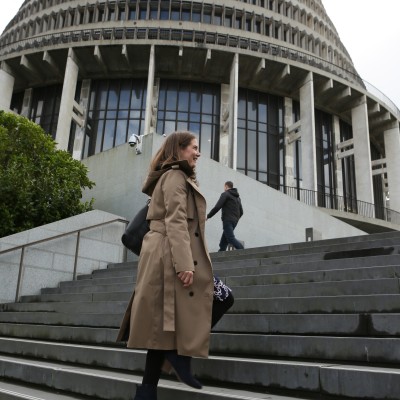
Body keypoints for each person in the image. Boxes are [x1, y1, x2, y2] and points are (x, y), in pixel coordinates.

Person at [117, 131, 216, 400]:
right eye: (194, 148)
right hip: (168, 254)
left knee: (162, 328)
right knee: (218, 296)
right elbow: (175, 220)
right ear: (179, 149)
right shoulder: (174, 176)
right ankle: (178, 352)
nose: (198, 153)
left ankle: (148, 391)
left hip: (165, 251)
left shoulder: (175, 176)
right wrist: (185, 264)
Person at [207, 181, 244, 251]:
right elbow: (241, 212)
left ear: (226, 186)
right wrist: (236, 219)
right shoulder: (238, 198)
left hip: (227, 220)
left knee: (230, 238)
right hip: (234, 222)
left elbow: (217, 207)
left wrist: (208, 216)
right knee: (223, 243)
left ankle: (242, 249)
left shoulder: (225, 194)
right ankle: (221, 253)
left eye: (224, 187)